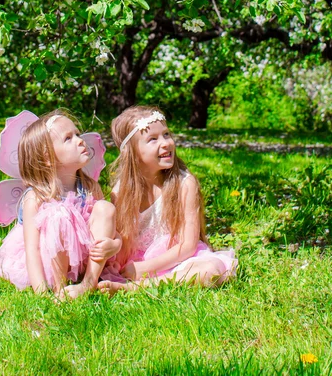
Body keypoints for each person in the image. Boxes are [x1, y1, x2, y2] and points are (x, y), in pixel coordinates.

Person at [0, 109, 120, 299]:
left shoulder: (89, 186)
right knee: (59, 215)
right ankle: (59, 290)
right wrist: (41, 293)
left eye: (77, 134)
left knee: (105, 207)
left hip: (85, 259)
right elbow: (32, 250)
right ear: (47, 156)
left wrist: (115, 245)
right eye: (68, 138)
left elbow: (111, 230)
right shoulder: (36, 197)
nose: (80, 140)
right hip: (48, 263)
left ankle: (88, 283)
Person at [99, 106, 237, 294]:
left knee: (209, 272)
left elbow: (188, 246)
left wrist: (145, 269)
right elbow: (123, 241)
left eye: (166, 134)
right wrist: (117, 263)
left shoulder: (184, 184)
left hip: (179, 260)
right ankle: (137, 284)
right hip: (137, 262)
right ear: (132, 153)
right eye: (153, 139)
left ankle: (135, 289)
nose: (165, 143)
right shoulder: (121, 191)